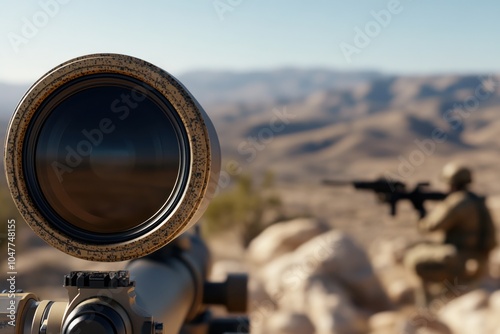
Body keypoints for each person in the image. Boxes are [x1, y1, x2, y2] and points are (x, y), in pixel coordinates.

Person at [404, 163, 497, 306]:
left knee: (415, 260)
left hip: (460, 261)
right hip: (477, 260)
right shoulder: (478, 201)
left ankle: (425, 307)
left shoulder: (457, 201)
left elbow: (429, 227)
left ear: (451, 183)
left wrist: (420, 209)